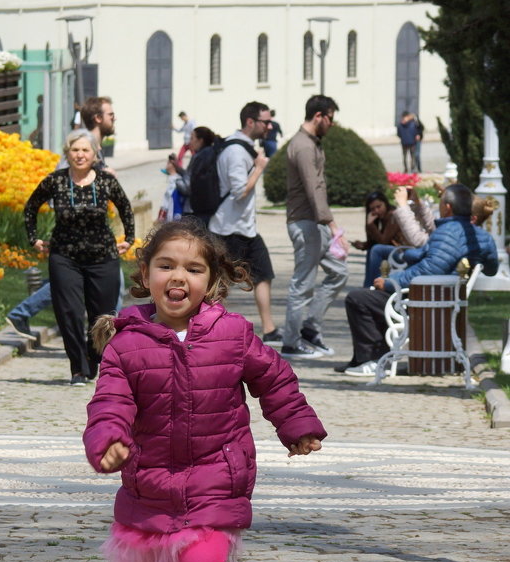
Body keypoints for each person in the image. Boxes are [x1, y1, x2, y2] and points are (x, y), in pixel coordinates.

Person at [84, 216, 326, 562]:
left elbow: (273, 378)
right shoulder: (125, 344)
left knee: (199, 561)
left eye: (193, 269)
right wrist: (108, 441)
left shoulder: (231, 334)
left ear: (211, 282)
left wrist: (296, 426)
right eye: (166, 266)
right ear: (146, 275)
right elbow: (109, 401)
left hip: (217, 472)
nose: (179, 277)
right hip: (150, 481)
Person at [340, 183, 498, 376]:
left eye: (441, 202)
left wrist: (390, 281)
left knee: (358, 299)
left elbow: (429, 270)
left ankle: (372, 360)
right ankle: (369, 357)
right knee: (370, 296)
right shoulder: (483, 237)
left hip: (427, 302)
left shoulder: (448, 232)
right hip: (445, 300)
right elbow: (491, 269)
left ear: (447, 207)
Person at [24, 128, 135, 385]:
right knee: (69, 312)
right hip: (65, 256)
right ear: (68, 153)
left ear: (95, 153)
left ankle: (94, 357)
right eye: (75, 150)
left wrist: (129, 238)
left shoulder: (106, 181)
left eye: (85, 150)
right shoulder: (56, 180)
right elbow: (31, 208)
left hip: (102, 256)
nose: (80, 155)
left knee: (102, 316)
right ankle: (77, 368)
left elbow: (125, 208)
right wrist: (34, 239)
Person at [282, 94, 347, 359]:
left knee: (339, 272)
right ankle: (291, 342)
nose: (333, 124)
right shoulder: (304, 146)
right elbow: (313, 189)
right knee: (303, 283)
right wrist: (333, 226)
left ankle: (310, 329)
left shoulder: (311, 143)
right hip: (306, 222)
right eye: (331, 118)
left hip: (315, 222)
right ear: (318, 116)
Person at [209, 101, 280, 343]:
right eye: (265, 121)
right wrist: (259, 168)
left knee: (263, 273)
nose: (269, 126)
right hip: (228, 229)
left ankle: (269, 329)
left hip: (246, 228)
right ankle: (209, 328)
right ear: (251, 122)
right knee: (220, 282)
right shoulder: (235, 151)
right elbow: (239, 191)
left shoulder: (246, 148)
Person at [55, 95, 116, 176]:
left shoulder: (96, 147)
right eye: (111, 115)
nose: (115, 118)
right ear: (98, 118)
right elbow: (62, 176)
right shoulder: (81, 144)